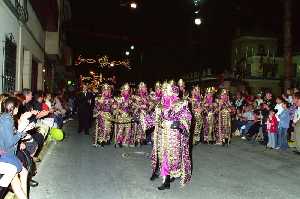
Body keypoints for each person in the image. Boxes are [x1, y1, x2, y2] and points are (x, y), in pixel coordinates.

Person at [150, 82, 192, 190]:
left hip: (174, 136)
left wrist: (178, 124)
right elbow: (154, 117)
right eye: (163, 89)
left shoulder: (181, 103)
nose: (164, 91)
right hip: (163, 135)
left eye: (166, 89)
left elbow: (187, 117)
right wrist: (140, 118)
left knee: (174, 157)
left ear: (173, 90)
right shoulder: (160, 105)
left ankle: (172, 175)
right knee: (164, 156)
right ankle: (166, 180)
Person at [0, 96, 37, 199]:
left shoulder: (7, 118)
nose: (18, 109)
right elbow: (9, 142)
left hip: (7, 153)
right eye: (17, 107)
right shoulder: (7, 120)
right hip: (5, 154)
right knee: (21, 173)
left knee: (20, 175)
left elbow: (11, 134)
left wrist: (24, 130)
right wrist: (21, 133)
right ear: (14, 108)